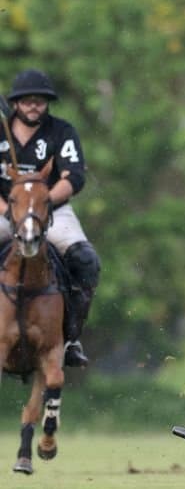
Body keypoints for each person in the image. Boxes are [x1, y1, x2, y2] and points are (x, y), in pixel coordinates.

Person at [0, 70, 100, 367]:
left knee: (86, 261)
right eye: (27, 101)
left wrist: (39, 206)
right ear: (15, 103)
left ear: (47, 103)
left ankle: (70, 339)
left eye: (40, 101)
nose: (34, 106)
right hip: (5, 210)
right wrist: (12, 210)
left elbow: (74, 176)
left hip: (52, 212)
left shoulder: (61, 132)